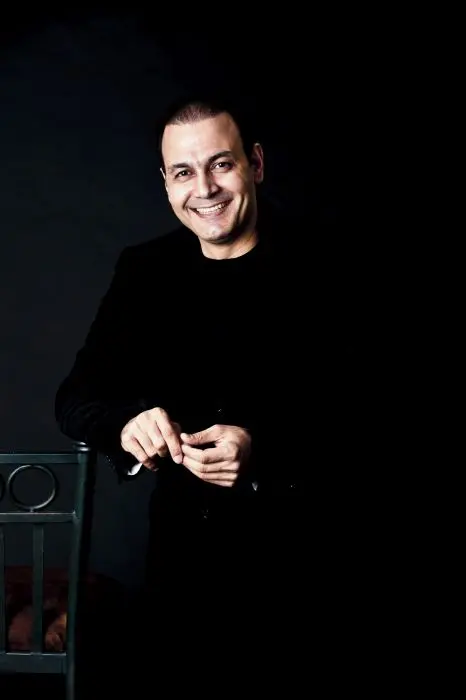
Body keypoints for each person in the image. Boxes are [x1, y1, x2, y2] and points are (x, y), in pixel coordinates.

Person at [55, 92, 372, 689]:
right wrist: (126, 423)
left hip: (317, 573)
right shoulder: (143, 271)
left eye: (221, 164)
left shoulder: (335, 264)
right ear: (166, 183)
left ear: (256, 163)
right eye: (183, 172)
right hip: (184, 581)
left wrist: (264, 450)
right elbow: (75, 397)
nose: (204, 189)